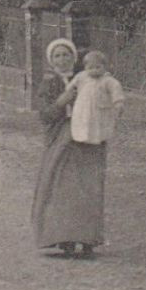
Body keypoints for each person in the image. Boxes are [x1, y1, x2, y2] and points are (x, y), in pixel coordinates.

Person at [31, 40, 123, 259]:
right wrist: (61, 102)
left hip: (90, 137)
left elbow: (108, 94)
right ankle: (65, 239)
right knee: (63, 188)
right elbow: (44, 115)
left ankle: (88, 239)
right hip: (62, 138)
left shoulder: (89, 78)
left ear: (74, 58)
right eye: (57, 56)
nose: (62, 60)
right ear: (51, 61)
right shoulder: (49, 84)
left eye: (66, 55)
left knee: (89, 187)